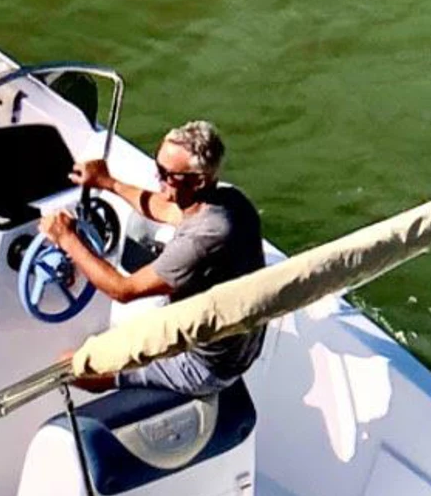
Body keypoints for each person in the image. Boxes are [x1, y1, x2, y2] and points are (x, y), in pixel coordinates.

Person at [37, 118, 266, 401]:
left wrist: (67, 238)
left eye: (167, 174)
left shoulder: (201, 241)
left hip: (203, 366)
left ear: (199, 180)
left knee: (71, 367)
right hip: (237, 345)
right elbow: (164, 208)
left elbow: (123, 290)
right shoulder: (229, 201)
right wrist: (108, 182)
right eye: (157, 168)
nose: (158, 179)